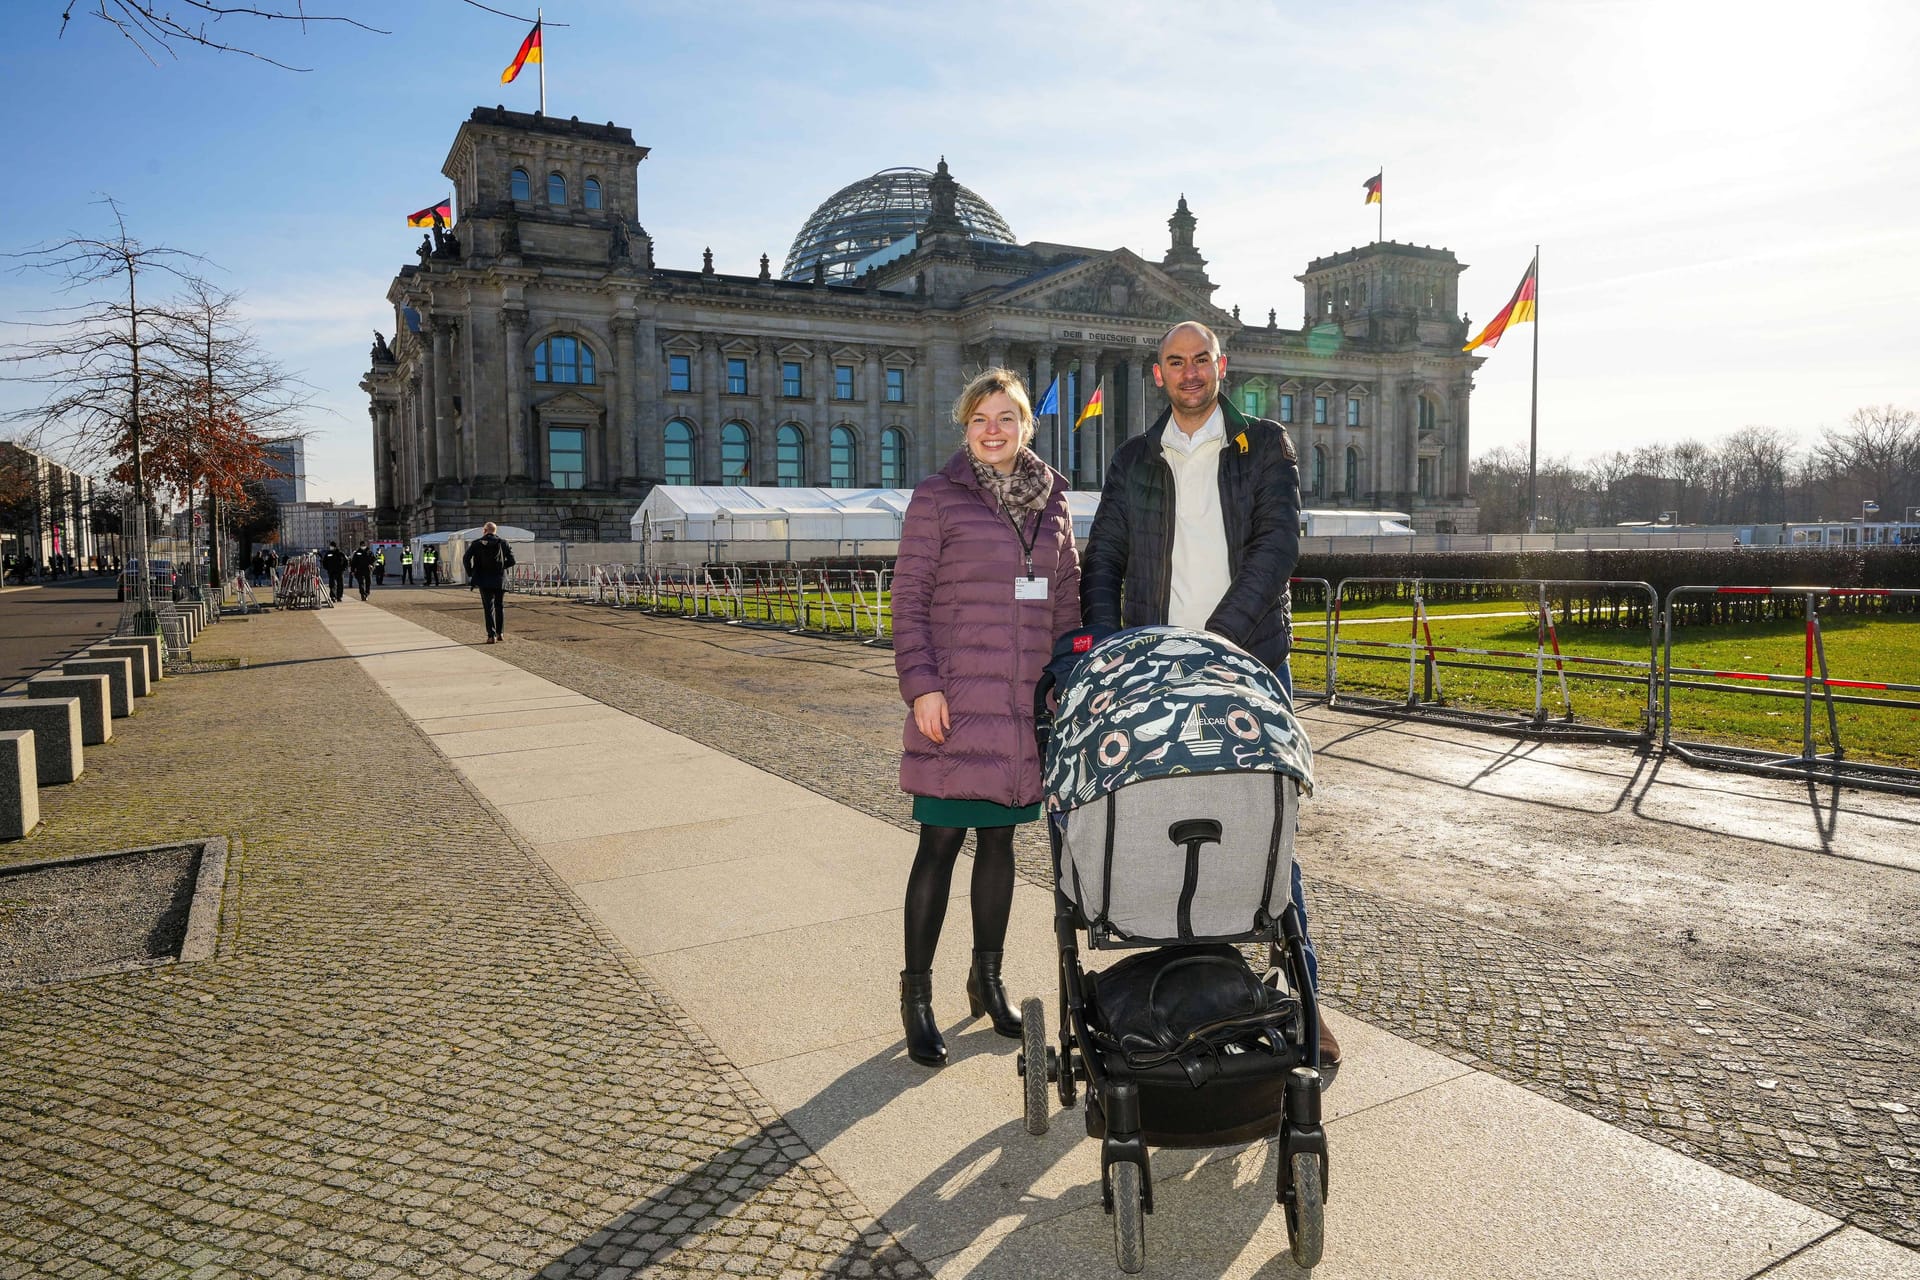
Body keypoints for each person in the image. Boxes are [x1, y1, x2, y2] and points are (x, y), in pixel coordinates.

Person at [1080, 320, 1342, 1079]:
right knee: (1166, 830)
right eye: (1175, 362)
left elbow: (1276, 546)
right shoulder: (1134, 459)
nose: (1190, 373)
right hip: (1156, 674)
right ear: (1155, 373)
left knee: (1266, 830)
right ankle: (1186, 1002)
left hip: (1249, 666)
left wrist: (1220, 640)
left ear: (1221, 367)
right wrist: (1105, 649)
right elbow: (1105, 559)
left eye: (1202, 360)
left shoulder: (1264, 446)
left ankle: (1309, 1002)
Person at [892, 367, 1081, 1068]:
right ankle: (916, 997)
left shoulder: (1053, 502)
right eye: (979, 419)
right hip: (955, 700)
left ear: (1027, 426)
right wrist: (921, 687)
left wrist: (1066, 680)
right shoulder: (938, 499)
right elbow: (908, 600)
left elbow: (1067, 602)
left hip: (1020, 705)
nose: (993, 430)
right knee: (938, 845)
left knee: (1000, 848)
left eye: (1006, 417)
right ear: (964, 428)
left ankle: (987, 978)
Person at [462, 522, 516, 643]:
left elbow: (465, 558)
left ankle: (491, 635)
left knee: (488, 607)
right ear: (495, 531)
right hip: (499, 579)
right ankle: (500, 633)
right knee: (499, 606)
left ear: (484, 531)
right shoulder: (503, 543)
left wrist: (471, 572)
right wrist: (501, 567)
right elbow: (513, 561)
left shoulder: (476, 544)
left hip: (483, 579)